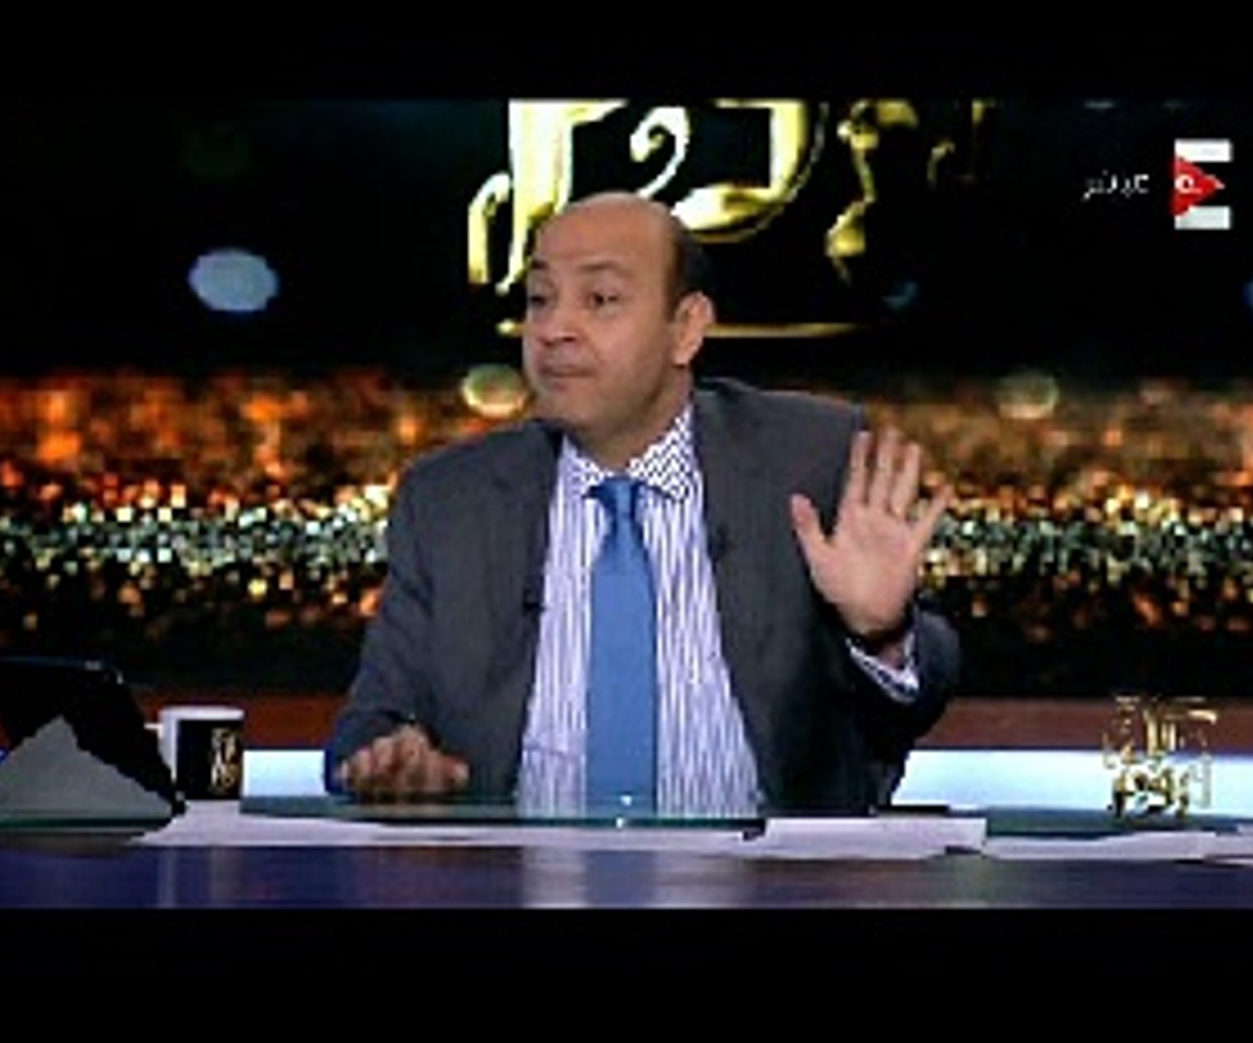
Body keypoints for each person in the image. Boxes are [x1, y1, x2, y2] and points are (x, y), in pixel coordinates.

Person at [325, 190, 959, 817]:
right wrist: (390, 762)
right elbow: (367, 725)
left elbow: (918, 698)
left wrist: (882, 634)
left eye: (600, 299)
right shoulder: (450, 501)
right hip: (518, 870)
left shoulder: (806, 461)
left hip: (765, 871)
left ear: (685, 328)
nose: (553, 330)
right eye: (539, 299)